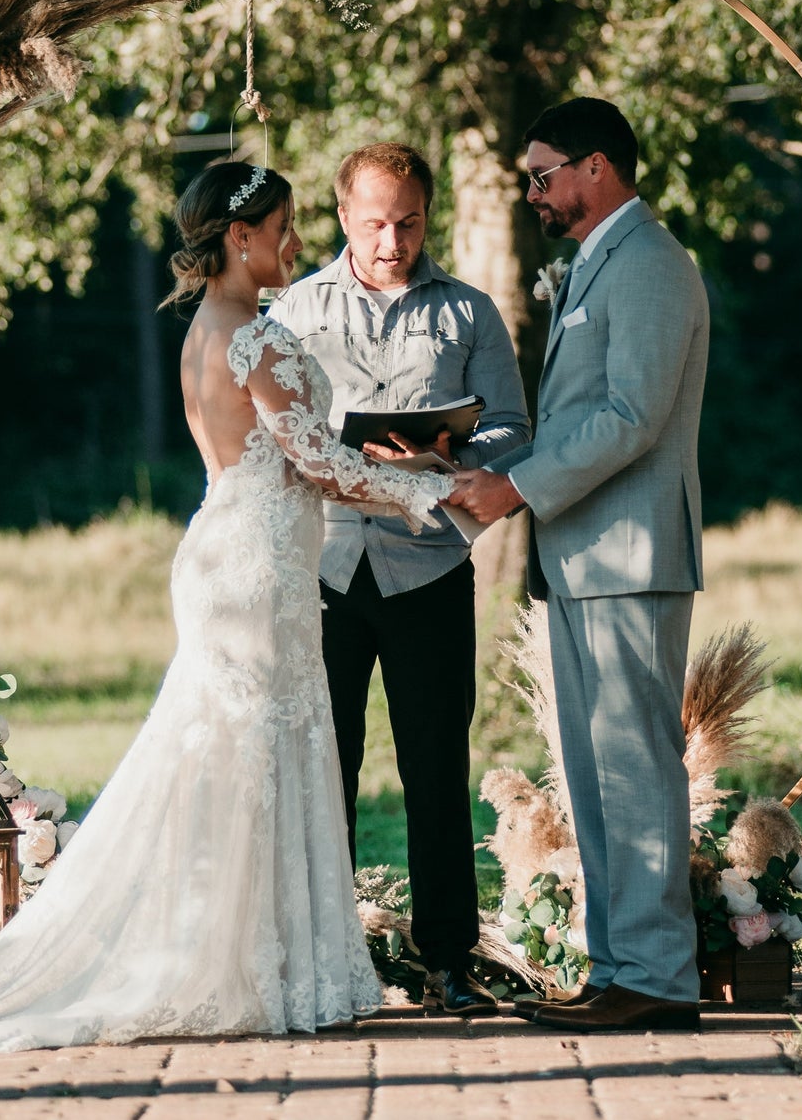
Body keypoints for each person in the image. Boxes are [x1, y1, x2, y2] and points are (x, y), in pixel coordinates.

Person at [0, 162, 453, 1063]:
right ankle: (256, 967)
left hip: (234, 552)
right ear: (240, 237)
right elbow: (318, 465)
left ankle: (266, 961)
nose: (295, 244)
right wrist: (429, 489)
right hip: (255, 570)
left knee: (243, 755)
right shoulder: (256, 338)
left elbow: (296, 453)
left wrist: (400, 470)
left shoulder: (210, 328)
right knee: (257, 752)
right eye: (283, 228)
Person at [451, 98, 709, 1034]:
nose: (532, 193)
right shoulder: (601, 260)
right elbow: (576, 415)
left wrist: (517, 486)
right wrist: (482, 468)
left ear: (596, 166)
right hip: (582, 554)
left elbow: (633, 416)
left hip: (630, 556)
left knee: (635, 768)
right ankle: (617, 967)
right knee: (594, 772)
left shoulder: (649, 264)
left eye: (542, 174)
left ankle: (658, 977)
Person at [268, 142, 529, 1017]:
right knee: (324, 767)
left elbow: (512, 429)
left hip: (429, 568)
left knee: (435, 766)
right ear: (343, 216)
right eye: (376, 223)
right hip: (324, 569)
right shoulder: (294, 308)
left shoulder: (469, 313)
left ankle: (449, 961)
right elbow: (271, 430)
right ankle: (329, 962)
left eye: (408, 223)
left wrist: (450, 452)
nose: (392, 242)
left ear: (428, 215)